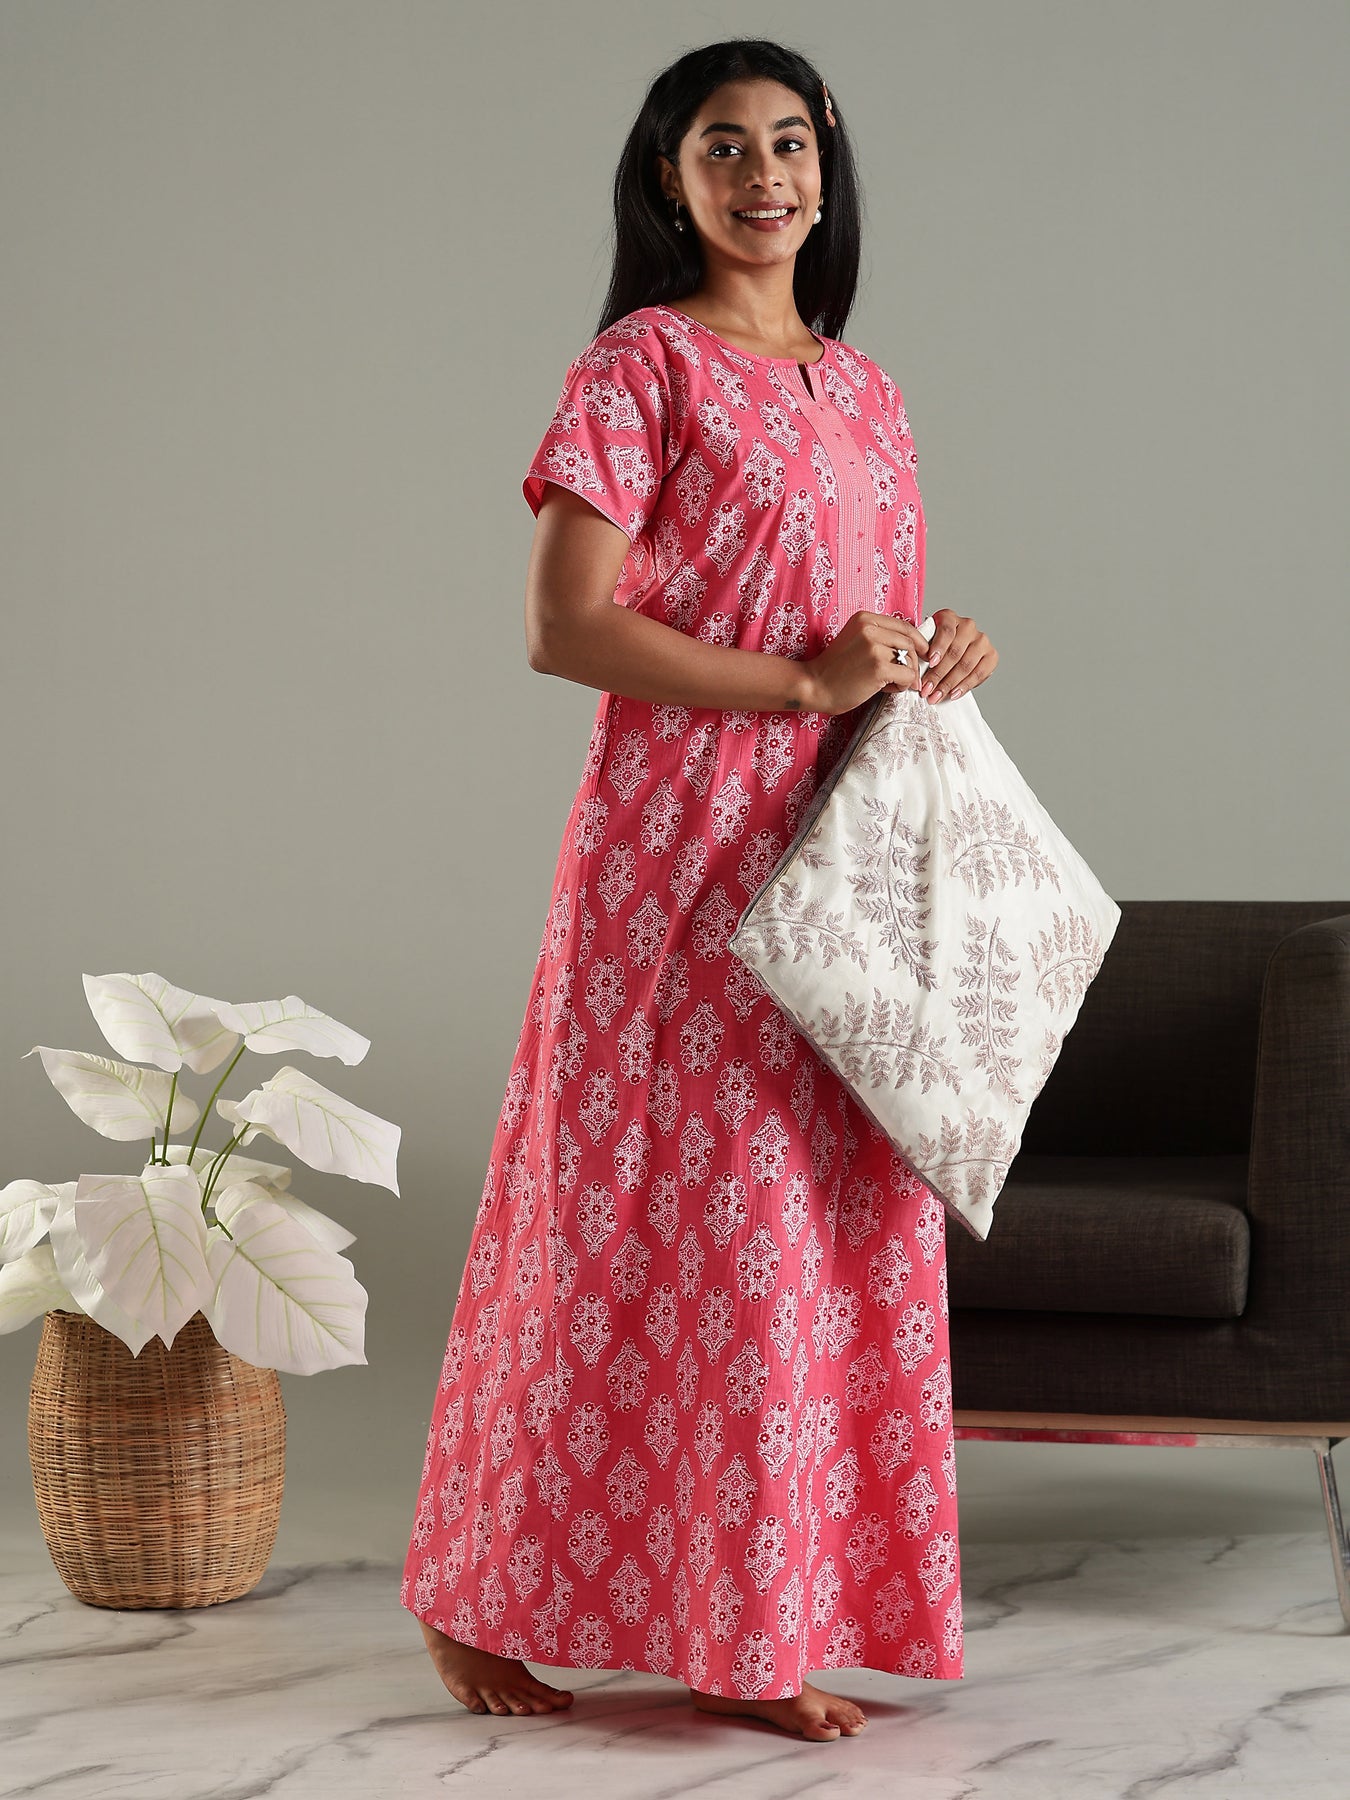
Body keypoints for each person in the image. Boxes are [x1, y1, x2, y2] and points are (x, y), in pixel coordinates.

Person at [400, 37, 998, 1744]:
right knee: (643, 1223)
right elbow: (564, 625)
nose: (762, 176)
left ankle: (764, 1610)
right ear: (668, 181)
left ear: (827, 164)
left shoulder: (865, 390)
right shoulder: (639, 365)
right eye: (721, 147)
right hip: (682, 857)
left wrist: (934, 647)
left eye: (788, 142)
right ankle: (479, 1597)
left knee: (824, 1228)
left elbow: (855, 619)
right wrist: (803, 683)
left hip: (846, 859)